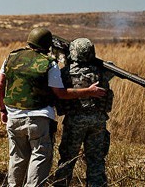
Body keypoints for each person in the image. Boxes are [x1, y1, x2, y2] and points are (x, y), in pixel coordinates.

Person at [0, 27, 106, 187]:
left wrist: (3, 110)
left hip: (14, 118)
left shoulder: (11, 58)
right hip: (39, 120)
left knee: (17, 158)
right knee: (39, 158)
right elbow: (60, 93)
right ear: (48, 45)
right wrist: (89, 91)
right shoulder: (49, 63)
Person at [52, 38, 115, 187]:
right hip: (98, 121)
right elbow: (112, 67)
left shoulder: (64, 73)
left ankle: (61, 184)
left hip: (74, 121)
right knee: (96, 160)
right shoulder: (102, 71)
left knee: (67, 159)